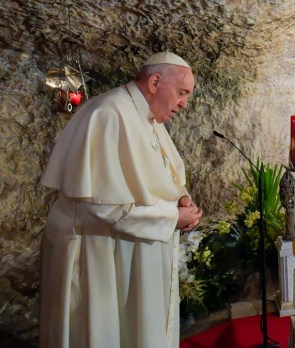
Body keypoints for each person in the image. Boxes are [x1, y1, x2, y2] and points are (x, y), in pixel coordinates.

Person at [39, 52, 202, 348]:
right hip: (97, 256)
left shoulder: (147, 117)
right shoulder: (109, 113)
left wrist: (182, 198)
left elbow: (164, 175)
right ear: (155, 82)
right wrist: (172, 217)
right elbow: (103, 205)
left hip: (128, 255)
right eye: (181, 93)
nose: (184, 104)